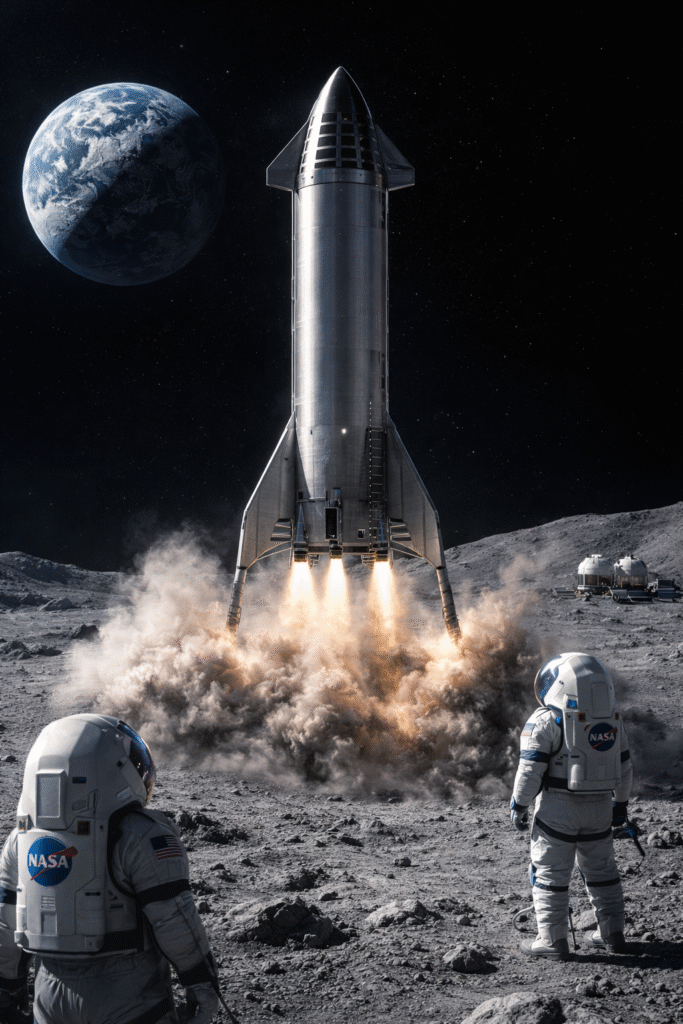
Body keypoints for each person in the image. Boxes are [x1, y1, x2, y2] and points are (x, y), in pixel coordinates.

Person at [0, 714, 219, 1024]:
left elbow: (5, 926)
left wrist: (7, 993)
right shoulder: (141, 835)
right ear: (115, 770)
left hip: (50, 997)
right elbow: (175, 919)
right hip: (129, 999)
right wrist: (202, 984)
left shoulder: (18, 842)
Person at [509, 652, 632, 960]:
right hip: (600, 807)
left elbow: (529, 770)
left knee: (549, 871)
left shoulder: (544, 720)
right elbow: (625, 766)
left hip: (558, 809)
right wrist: (620, 806)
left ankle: (552, 940)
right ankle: (612, 934)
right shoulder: (612, 720)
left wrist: (520, 805)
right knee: (602, 870)